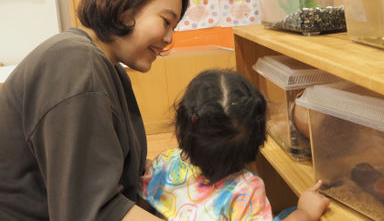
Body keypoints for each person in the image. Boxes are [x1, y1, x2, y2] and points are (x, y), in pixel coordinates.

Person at [0, 0, 189, 220]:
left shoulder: (107, 66)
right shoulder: (75, 64)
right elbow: (92, 211)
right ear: (125, 10)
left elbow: (116, 172)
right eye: (166, 21)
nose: (169, 38)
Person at [139, 69, 331, 220]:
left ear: (181, 130)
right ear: (258, 140)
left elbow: (142, 201)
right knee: (290, 211)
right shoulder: (245, 189)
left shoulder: (165, 162)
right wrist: (305, 212)